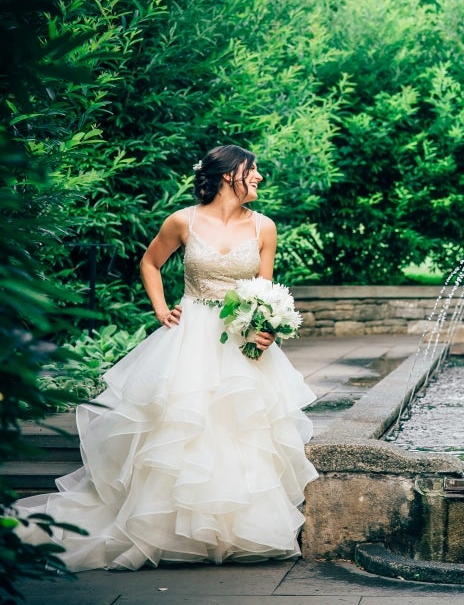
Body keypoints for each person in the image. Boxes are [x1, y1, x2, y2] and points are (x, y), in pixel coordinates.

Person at [16, 145, 318, 571]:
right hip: (191, 334)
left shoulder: (264, 227)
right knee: (183, 426)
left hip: (238, 341)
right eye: (254, 170)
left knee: (241, 429)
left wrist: (266, 327)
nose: (260, 178)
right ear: (230, 174)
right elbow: (150, 263)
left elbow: (265, 291)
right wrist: (161, 308)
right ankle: (167, 531)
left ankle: (236, 531)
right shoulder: (183, 220)